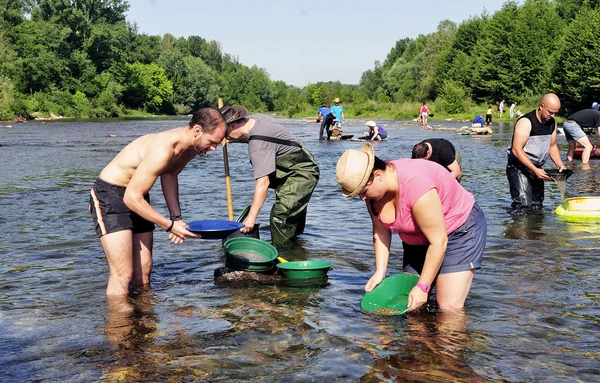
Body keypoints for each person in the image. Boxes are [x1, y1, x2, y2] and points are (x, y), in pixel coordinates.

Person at [89, 108, 227, 297]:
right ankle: (118, 325)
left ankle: (144, 321)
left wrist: (176, 218)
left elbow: (170, 174)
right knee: (123, 274)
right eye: (212, 142)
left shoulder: (191, 149)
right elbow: (130, 198)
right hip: (111, 196)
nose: (213, 149)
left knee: (144, 271)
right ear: (197, 131)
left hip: (138, 195)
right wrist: (169, 226)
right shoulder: (162, 149)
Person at [335, 143, 487, 311]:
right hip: (417, 237)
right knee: (411, 304)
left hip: (458, 230)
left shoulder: (416, 186)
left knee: (447, 307)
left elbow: (439, 241)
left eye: (363, 191)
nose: (362, 198)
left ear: (377, 175)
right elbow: (380, 229)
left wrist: (423, 287)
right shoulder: (373, 196)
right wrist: (380, 272)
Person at [221, 105, 320, 248]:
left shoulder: (258, 144)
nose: (226, 139)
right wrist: (235, 139)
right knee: (292, 220)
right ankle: (298, 250)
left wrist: (251, 218)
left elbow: (263, 183)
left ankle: (283, 257)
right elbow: (265, 140)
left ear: (233, 125)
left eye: (226, 134)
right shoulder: (256, 120)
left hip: (301, 174)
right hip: (296, 170)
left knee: (281, 216)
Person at [506, 93, 567, 211]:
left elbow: (552, 145)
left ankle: (535, 229)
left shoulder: (552, 123)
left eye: (555, 112)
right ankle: (517, 228)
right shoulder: (526, 122)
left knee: (537, 205)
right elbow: (516, 149)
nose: (553, 115)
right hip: (519, 167)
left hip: (538, 168)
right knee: (523, 206)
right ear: (541, 106)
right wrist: (535, 170)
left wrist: (560, 165)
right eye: (550, 112)